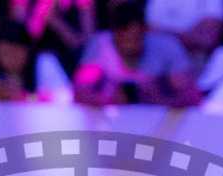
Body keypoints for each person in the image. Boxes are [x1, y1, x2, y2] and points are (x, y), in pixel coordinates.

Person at [73, 1, 201, 107]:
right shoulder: (101, 46)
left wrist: (160, 100)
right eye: (124, 39)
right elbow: (80, 91)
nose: (130, 44)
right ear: (115, 33)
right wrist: (108, 100)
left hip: (160, 126)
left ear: (145, 32)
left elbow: (192, 96)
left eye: (135, 38)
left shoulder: (166, 47)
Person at [0, 18, 73, 101]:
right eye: (4, 52)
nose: (9, 58)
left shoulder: (44, 63)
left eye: (14, 52)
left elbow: (66, 97)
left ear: (27, 51)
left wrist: (26, 97)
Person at [9, 0, 96, 76]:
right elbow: (18, 35)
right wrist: (42, 12)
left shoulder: (82, 3)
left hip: (72, 62)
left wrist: (53, 20)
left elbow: (87, 42)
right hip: (33, 63)